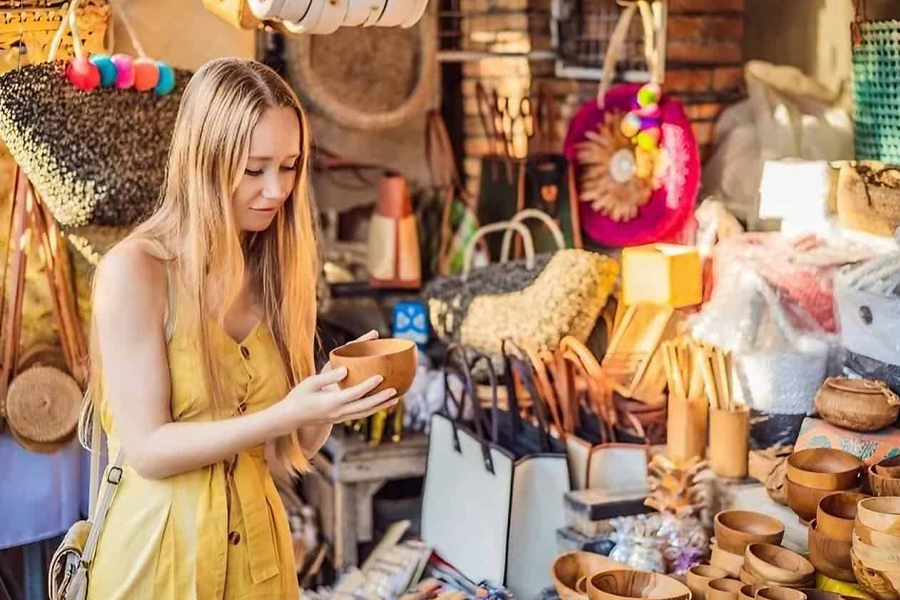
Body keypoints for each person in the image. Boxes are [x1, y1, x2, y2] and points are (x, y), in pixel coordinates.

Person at [84, 58, 398, 599]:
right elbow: (148, 449)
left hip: (260, 565)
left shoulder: (278, 271)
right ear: (203, 163)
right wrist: (284, 413)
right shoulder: (136, 272)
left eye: (290, 166)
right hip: (159, 564)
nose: (277, 190)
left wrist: (330, 398)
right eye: (255, 170)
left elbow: (290, 450)